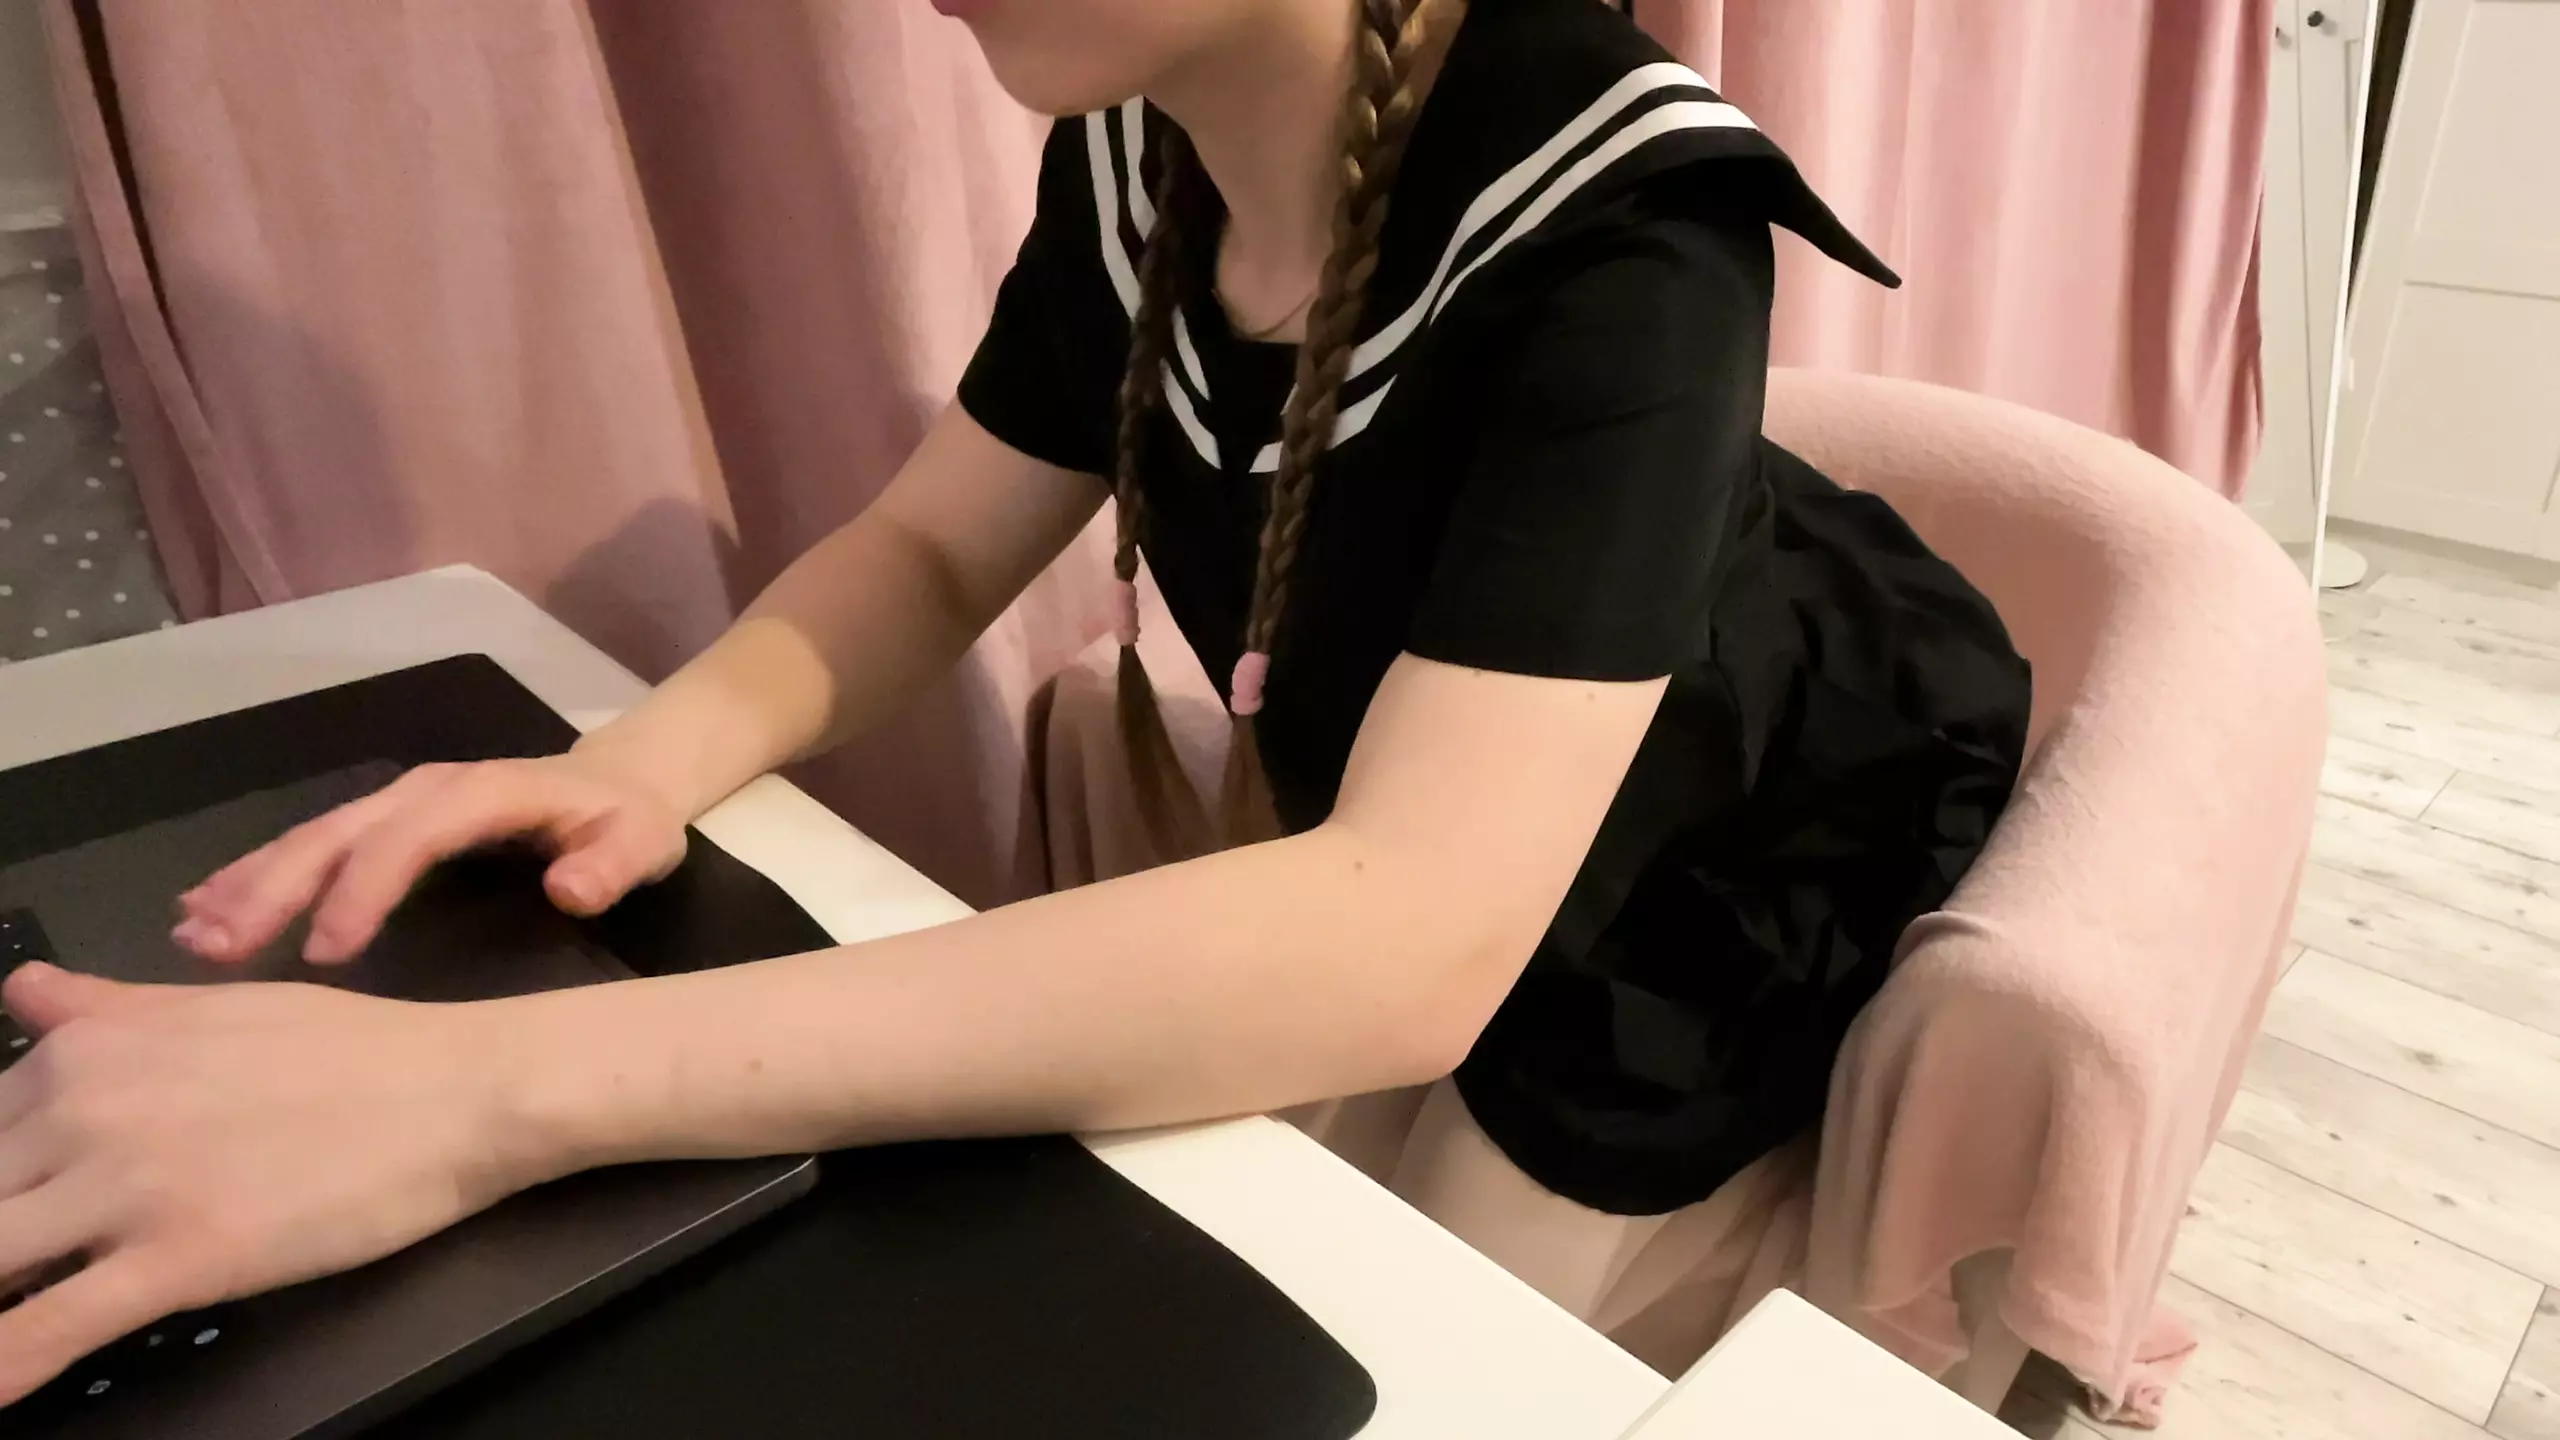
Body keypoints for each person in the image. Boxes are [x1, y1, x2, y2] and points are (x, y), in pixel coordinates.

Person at [0, 0, 2028, 1402]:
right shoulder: (1143, 143)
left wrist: (472, 1095)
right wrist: (642, 760)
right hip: (1439, 806)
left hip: (1723, 842)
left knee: (1435, 1342)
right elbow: (930, 542)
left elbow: (1409, 939)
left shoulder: (1629, 226)